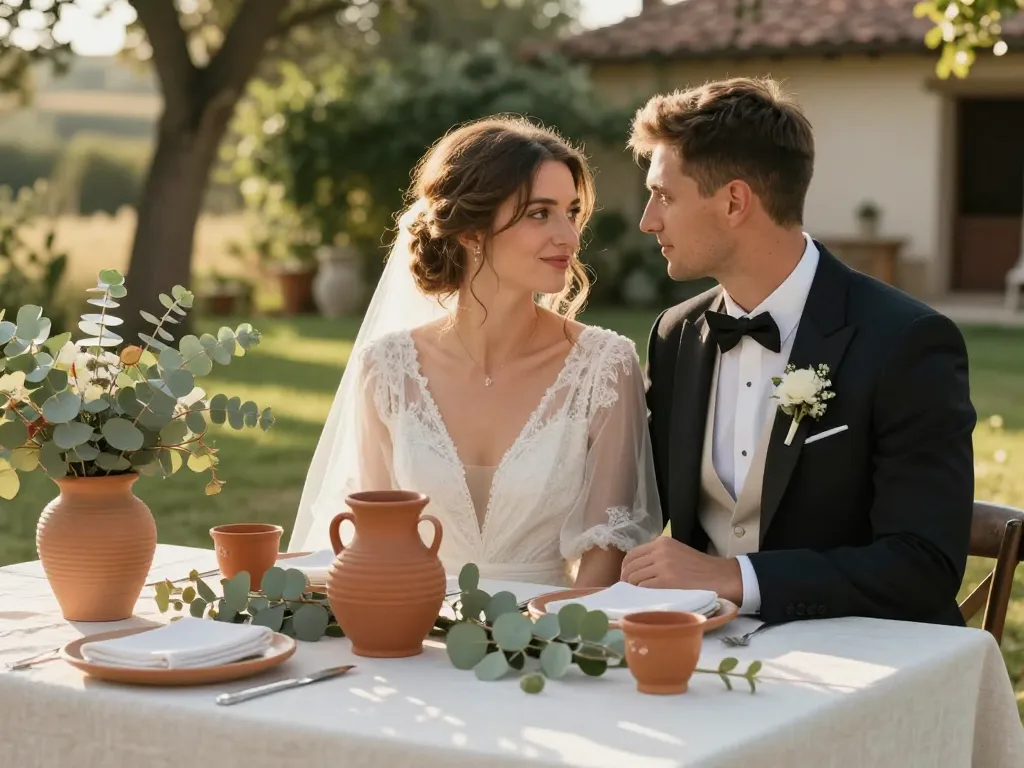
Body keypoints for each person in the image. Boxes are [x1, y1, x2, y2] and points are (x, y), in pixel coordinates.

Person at [623, 77, 976, 626]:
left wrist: (734, 577)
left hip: (866, 664)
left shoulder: (905, 342)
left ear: (735, 201)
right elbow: (636, 506)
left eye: (664, 195)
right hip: (705, 657)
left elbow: (922, 564)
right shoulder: (677, 334)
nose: (648, 219)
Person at [289, 116, 664, 588]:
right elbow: (374, 541)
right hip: (415, 626)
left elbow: (607, 551)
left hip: (554, 634)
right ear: (470, 232)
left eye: (571, 212)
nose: (569, 237)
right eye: (539, 213)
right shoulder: (386, 369)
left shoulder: (604, 366)